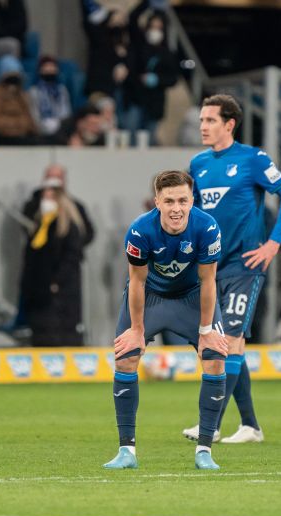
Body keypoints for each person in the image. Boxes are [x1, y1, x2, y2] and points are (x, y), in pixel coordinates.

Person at [181, 94, 281, 444]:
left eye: (210, 120)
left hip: (245, 265)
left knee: (229, 339)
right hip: (211, 267)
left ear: (229, 124)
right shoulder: (198, 164)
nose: (202, 126)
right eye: (202, 120)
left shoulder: (253, 159)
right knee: (231, 345)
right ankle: (250, 426)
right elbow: (196, 214)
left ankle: (212, 425)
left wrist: (273, 243)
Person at [105, 170, 229, 471]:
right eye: (169, 201)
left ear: (193, 200)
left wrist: (206, 331)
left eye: (183, 200)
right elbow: (136, 281)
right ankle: (126, 452)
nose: (177, 208)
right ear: (157, 201)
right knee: (125, 358)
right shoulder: (139, 231)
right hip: (151, 298)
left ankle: (204, 452)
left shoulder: (207, 228)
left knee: (214, 358)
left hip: (192, 297)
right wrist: (136, 330)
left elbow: (209, 280)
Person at [19, 165, 94, 345]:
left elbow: (74, 252)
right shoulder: (36, 215)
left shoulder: (71, 222)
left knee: (61, 336)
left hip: (61, 295)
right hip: (39, 295)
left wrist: (56, 283)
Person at [123, 9, 178, 145]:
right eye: (152, 27)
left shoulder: (168, 53)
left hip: (154, 104)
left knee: (149, 140)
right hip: (135, 99)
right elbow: (132, 19)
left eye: (158, 28)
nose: (155, 31)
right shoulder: (138, 47)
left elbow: (173, 78)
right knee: (130, 137)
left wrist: (157, 79)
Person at [0, 56, 37, 145]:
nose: (13, 81)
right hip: (3, 139)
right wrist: (18, 124)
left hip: (23, 137)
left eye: (16, 76)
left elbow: (30, 123)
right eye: (10, 76)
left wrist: (19, 125)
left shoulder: (22, 95)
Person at [27, 56, 73, 141]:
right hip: (42, 130)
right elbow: (34, 115)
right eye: (46, 67)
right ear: (40, 70)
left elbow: (66, 111)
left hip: (61, 129)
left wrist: (61, 125)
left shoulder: (62, 90)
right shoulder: (34, 91)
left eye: (52, 67)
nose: (50, 70)